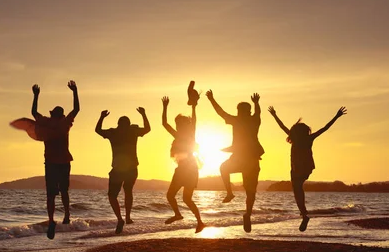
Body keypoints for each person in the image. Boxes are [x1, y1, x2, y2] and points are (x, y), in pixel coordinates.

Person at [268, 106, 347, 231]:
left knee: (297, 190)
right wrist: (336, 116)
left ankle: (304, 214)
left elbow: (282, 126)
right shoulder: (308, 138)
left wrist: (274, 115)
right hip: (305, 168)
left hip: (297, 168)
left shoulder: (295, 138)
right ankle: (304, 214)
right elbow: (324, 128)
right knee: (298, 189)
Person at [207, 90, 264, 232]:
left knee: (223, 168)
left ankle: (230, 192)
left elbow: (221, 113)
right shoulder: (254, 120)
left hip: (242, 159)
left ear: (241, 111)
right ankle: (247, 213)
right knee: (251, 191)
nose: (238, 113)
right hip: (251, 160)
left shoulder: (238, 120)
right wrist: (257, 103)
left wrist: (211, 99)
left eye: (239, 110)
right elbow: (258, 113)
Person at [31, 80, 80, 239]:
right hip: (64, 161)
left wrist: (36, 96)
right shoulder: (65, 124)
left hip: (50, 162)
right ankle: (66, 215)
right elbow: (77, 109)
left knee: (50, 195)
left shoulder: (46, 122)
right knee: (64, 190)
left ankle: (51, 220)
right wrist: (74, 91)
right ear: (62, 115)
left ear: (52, 113)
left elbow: (33, 112)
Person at [95, 108, 151, 233]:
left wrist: (102, 117)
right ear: (129, 124)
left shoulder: (114, 132)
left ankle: (120, 218)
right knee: (128, 191)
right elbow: (147, 129)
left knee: (112, 195)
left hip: (117, 169)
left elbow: (98, 130)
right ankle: (128, 217)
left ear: (118, 124)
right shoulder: (133, 131)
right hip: (132, 168)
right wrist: (144, 114)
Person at [161, 95, 205, 233]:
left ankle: (199, 222)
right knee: (172, 196)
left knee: (186, 198)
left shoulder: (190, 134)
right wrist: (165, 107)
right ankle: (180, 215)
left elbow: (195, 120)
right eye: (177, 124)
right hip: (184, 169)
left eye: (180, 124)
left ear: (185, 125)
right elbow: (164, 124)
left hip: (189, 169)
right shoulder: (177, 134)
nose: (177, 126)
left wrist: (194, 106)